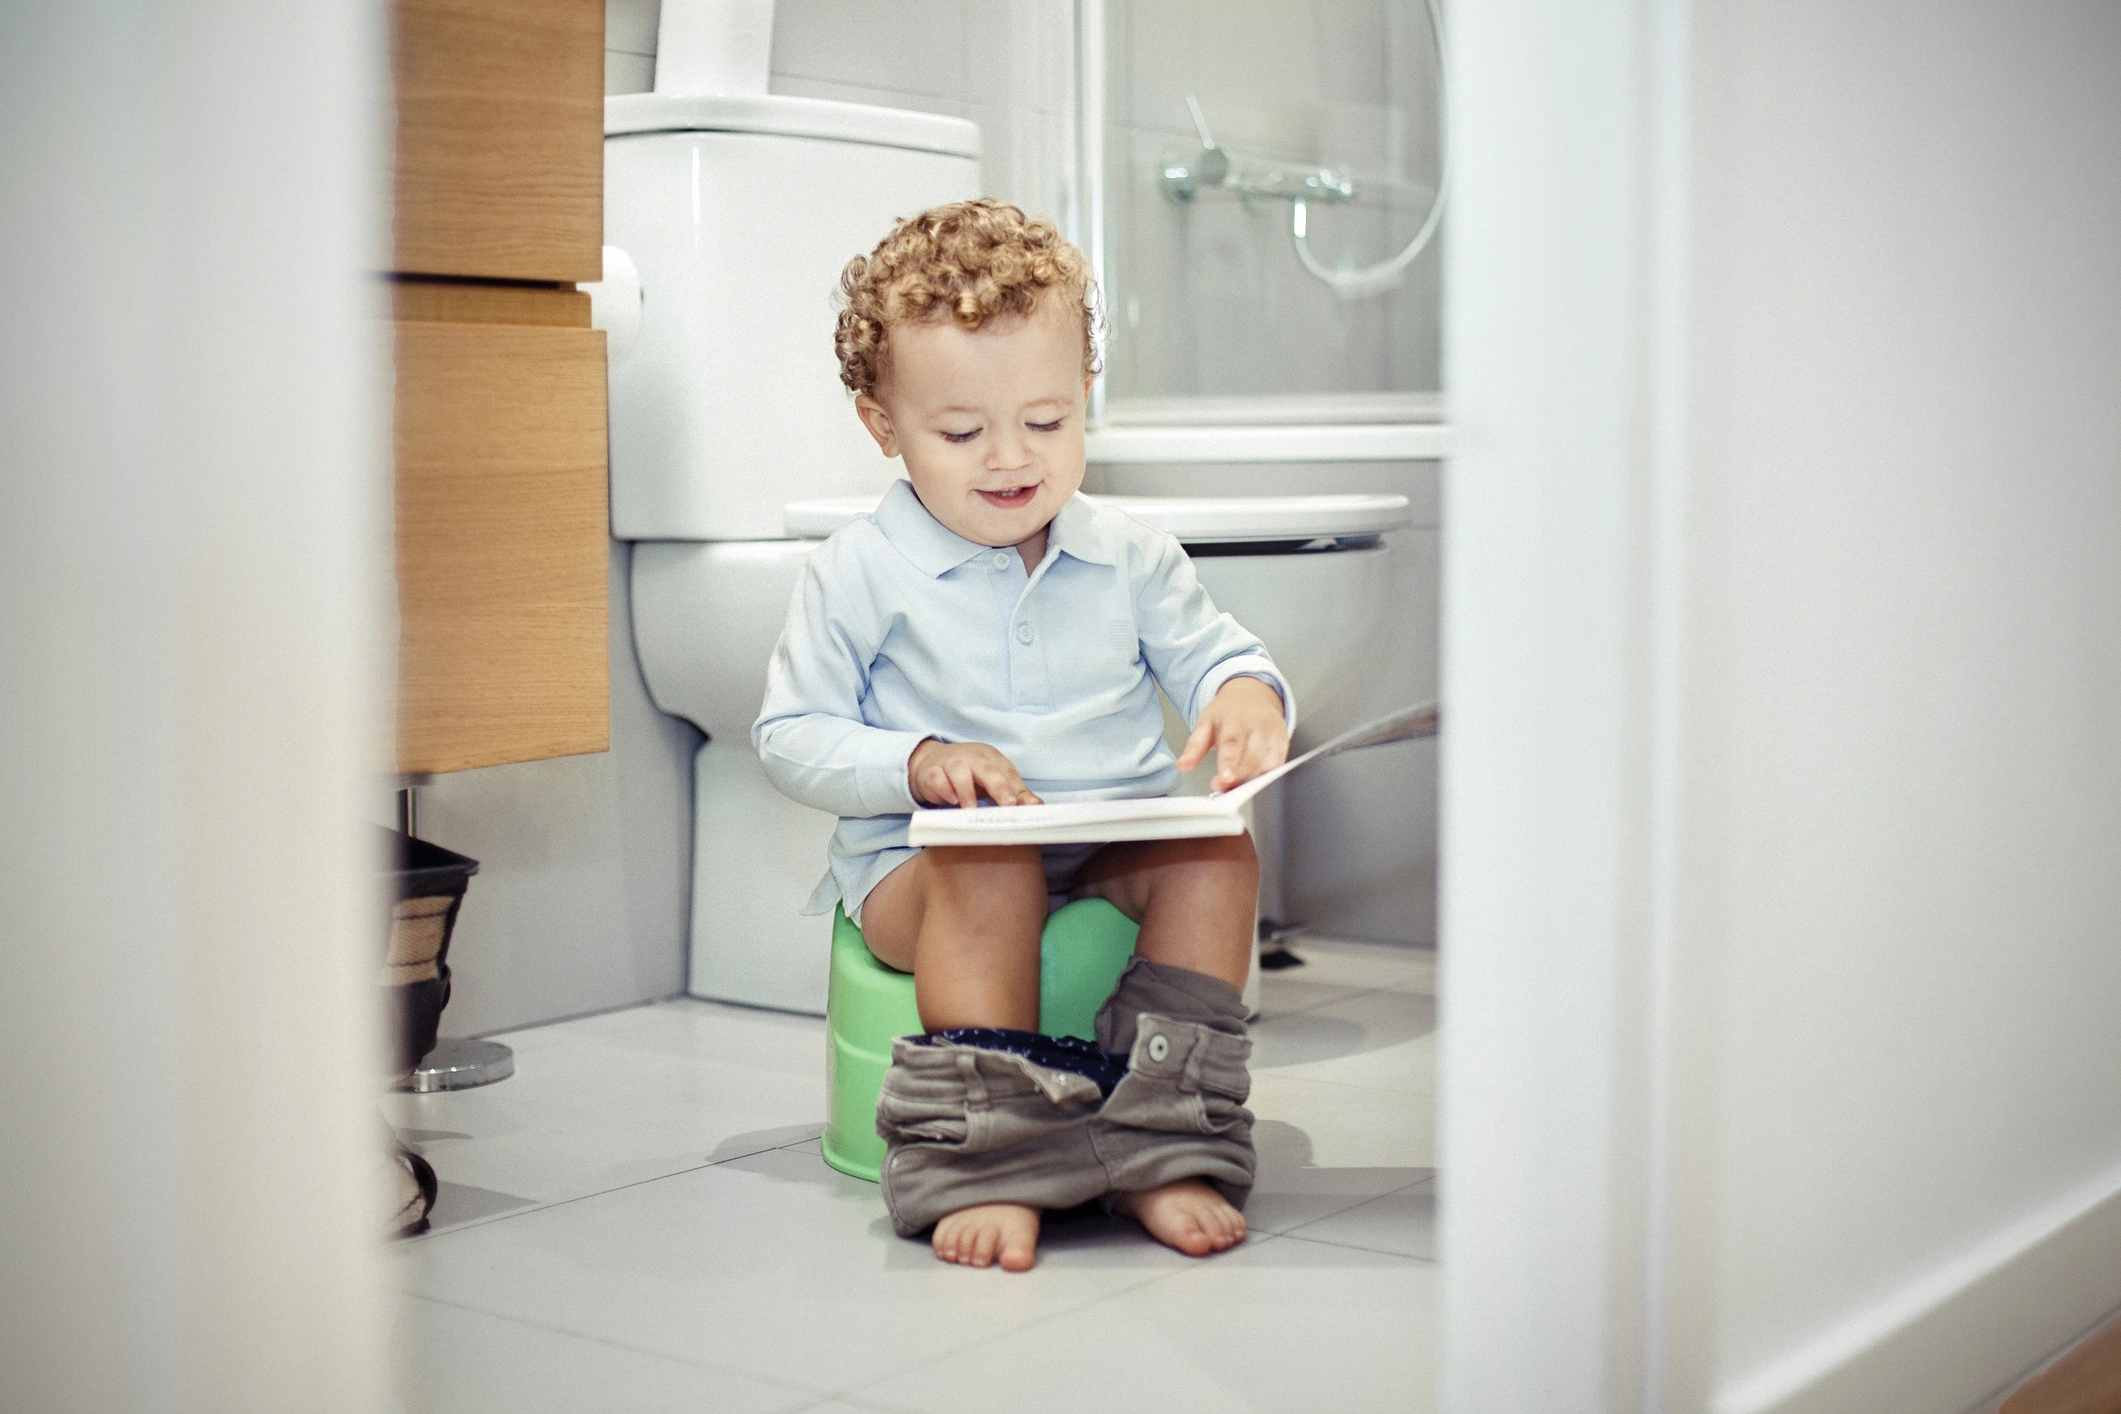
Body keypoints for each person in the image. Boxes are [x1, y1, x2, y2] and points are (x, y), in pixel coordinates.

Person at [754, 199, 1293, 1273]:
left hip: (1101, 836)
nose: (1011, 457)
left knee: (1216, 852)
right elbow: (787, 733)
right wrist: (917, 763)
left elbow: (1216, 652)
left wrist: (1246, 695)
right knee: (990, 860)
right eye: (961, 433)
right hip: (929, 862)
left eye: (1047, 422)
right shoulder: (858, 569)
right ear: (882, 425)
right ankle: (987, 1155)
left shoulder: (1130, 553)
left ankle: (1161, 1133)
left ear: (1085, 396)